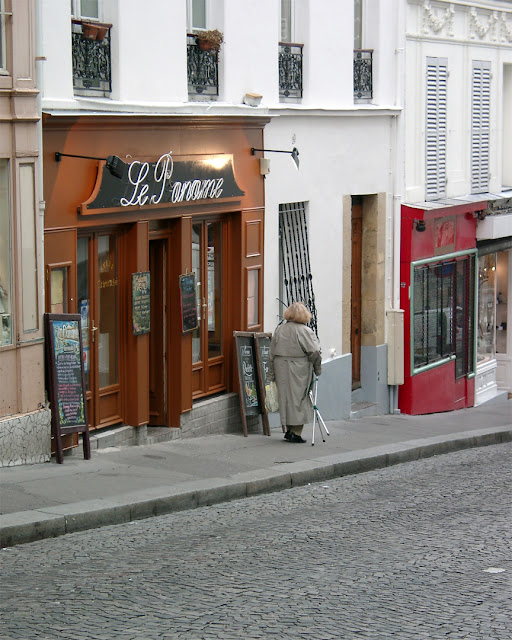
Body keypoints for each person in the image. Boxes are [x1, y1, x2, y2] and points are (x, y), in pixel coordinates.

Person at [267, 302, 322, 443]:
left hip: (281, 366)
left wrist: (271, 373)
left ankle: (289, 430)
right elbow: (314, 351)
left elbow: (271, 353)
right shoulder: (304, 331)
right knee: (300, 399)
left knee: (286, 398)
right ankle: (295, 432)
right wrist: (317, 368)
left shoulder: (279, 329)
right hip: (299, 367)